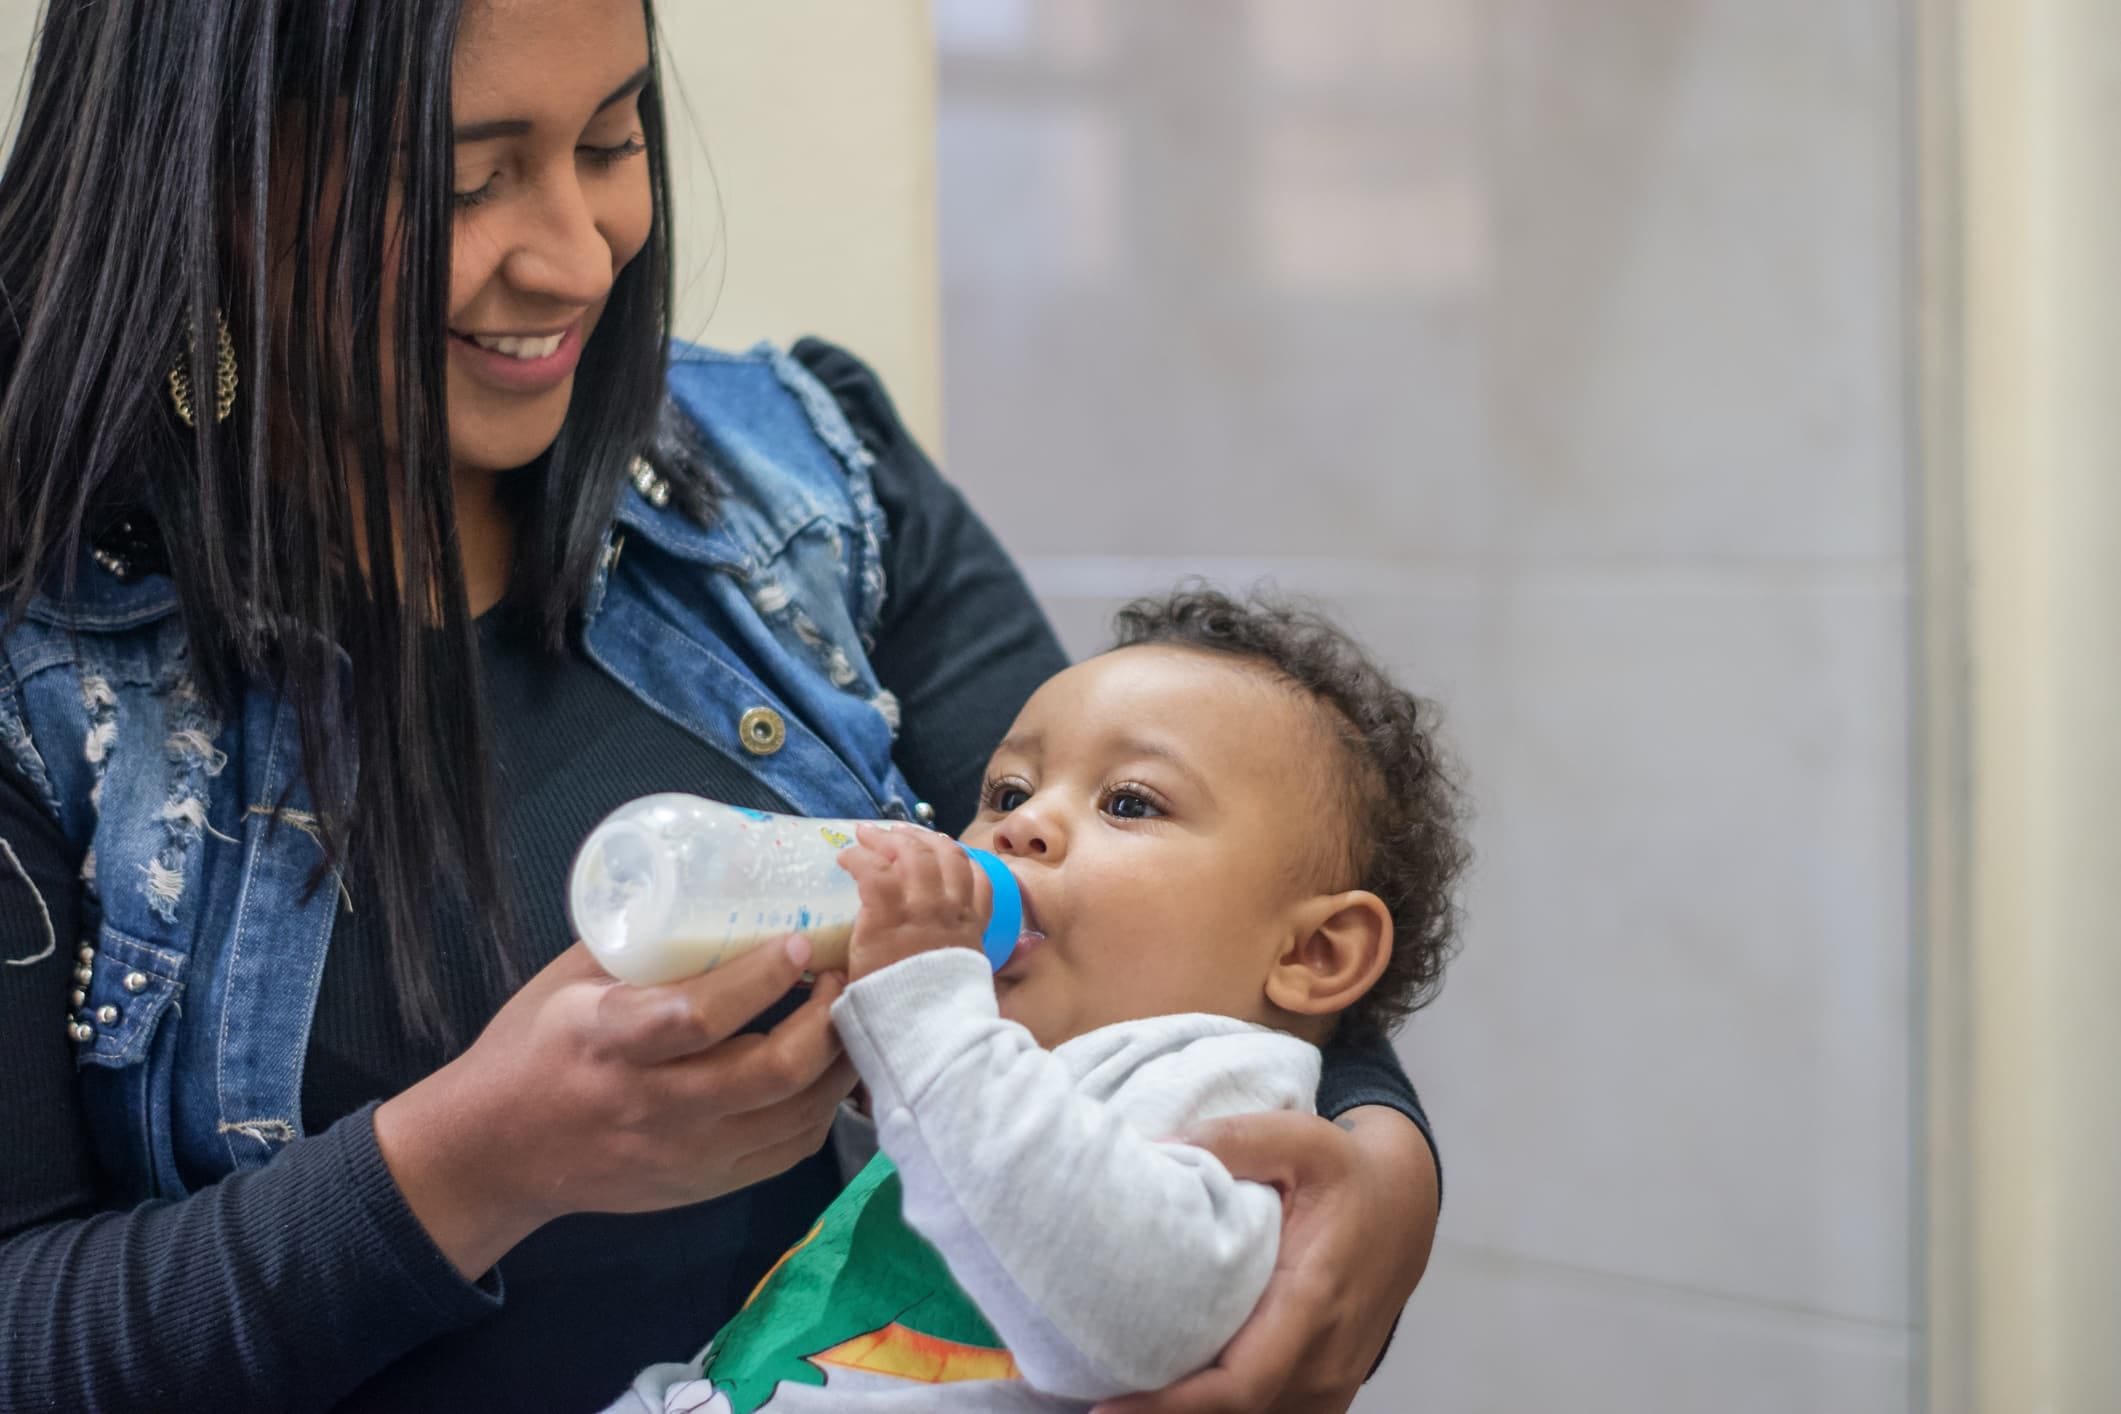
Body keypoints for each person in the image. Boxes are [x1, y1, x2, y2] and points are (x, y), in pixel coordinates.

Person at [0, 2, 1442, 1410]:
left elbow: (1216, 882)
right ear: (212, 171)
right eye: (463, 181)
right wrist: (465, 1167)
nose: (576, 258)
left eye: (614, 142)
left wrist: (1382, 1166)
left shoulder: (804, 489)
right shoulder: (39, 662)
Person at [611, 589, 1467, 1413]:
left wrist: (922, 1015)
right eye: (1007, 793)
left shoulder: (1213, 1078)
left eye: (1129, 802)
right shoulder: (1029, 1067)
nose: (1022, 826)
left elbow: (1139, 1318)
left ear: (1311, 954)